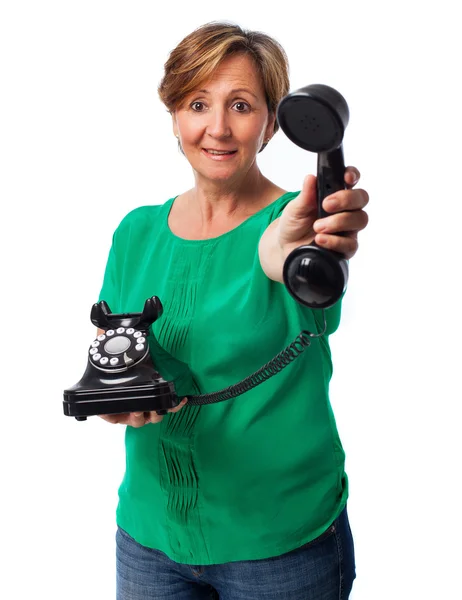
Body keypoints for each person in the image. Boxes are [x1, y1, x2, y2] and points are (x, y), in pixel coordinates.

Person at [97, 21, 369, 600]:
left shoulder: (296, 225)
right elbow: (120, 354)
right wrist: (122, 396)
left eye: (241, 105)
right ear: (174, 115)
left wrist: (298, 248)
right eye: (198, 103)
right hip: (150, 539)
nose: (217, 128)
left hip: (279, 547)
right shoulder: (135, 232)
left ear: (271, 122)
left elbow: (280, 256)